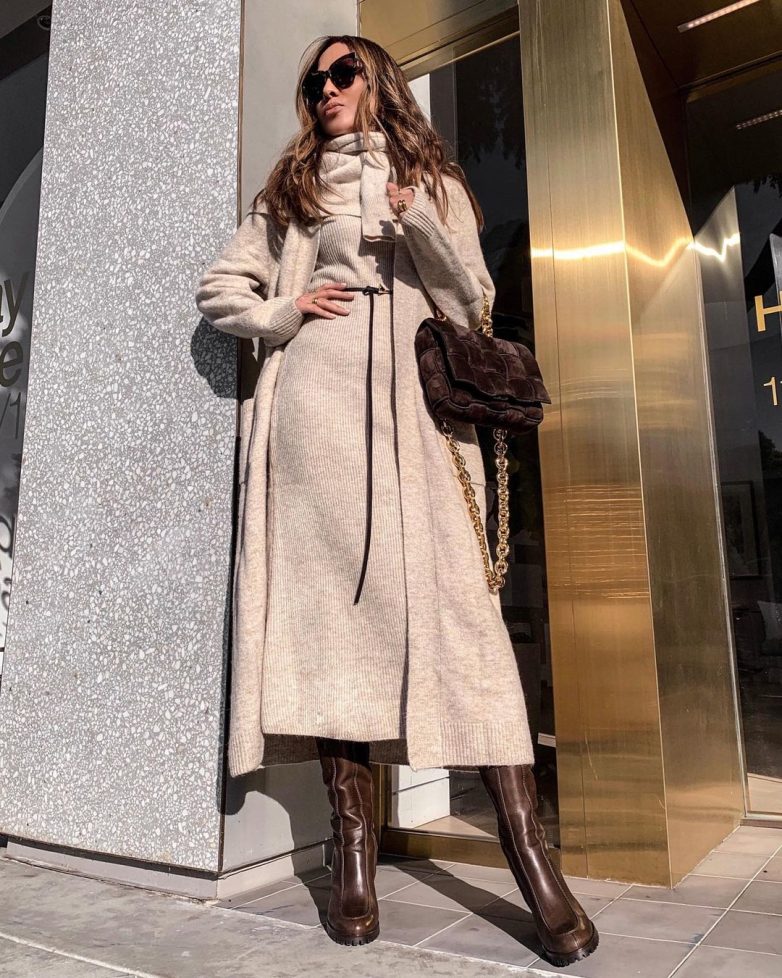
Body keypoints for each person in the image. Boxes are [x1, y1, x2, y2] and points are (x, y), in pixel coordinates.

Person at [195, 33, 598, 967]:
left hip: (420, 427)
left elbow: (473, 301)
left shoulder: (434, 182)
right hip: (320, 431)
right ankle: (354, 857)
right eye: (314, 81)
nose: (326, 89)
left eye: (343, 73)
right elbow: (221, 288)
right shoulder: (292, 191)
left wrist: (415, 220)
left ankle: (533, 864)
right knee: (337, 632)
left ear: (380, 82)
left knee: (466, 628)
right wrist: (287, 312)